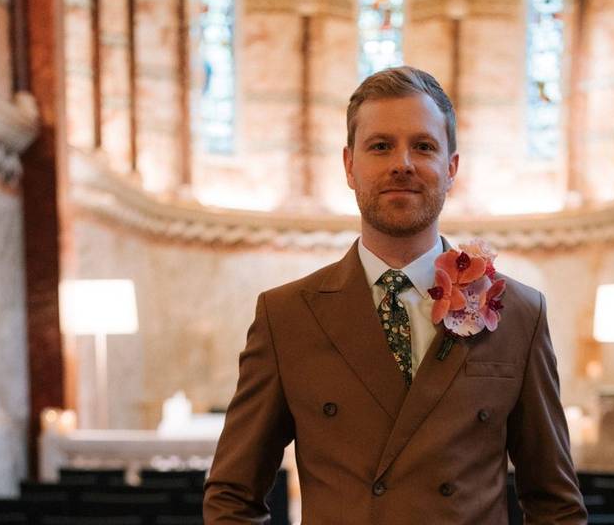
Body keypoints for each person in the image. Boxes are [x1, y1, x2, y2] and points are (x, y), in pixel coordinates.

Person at [204, 66, 587, 524]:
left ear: (451, 168)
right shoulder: (286, 316)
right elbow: (232, 496)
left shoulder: (518, 314)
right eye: (380, 146)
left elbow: (555, 504)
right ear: (349, 165)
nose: (402, 163)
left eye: (423, 146)